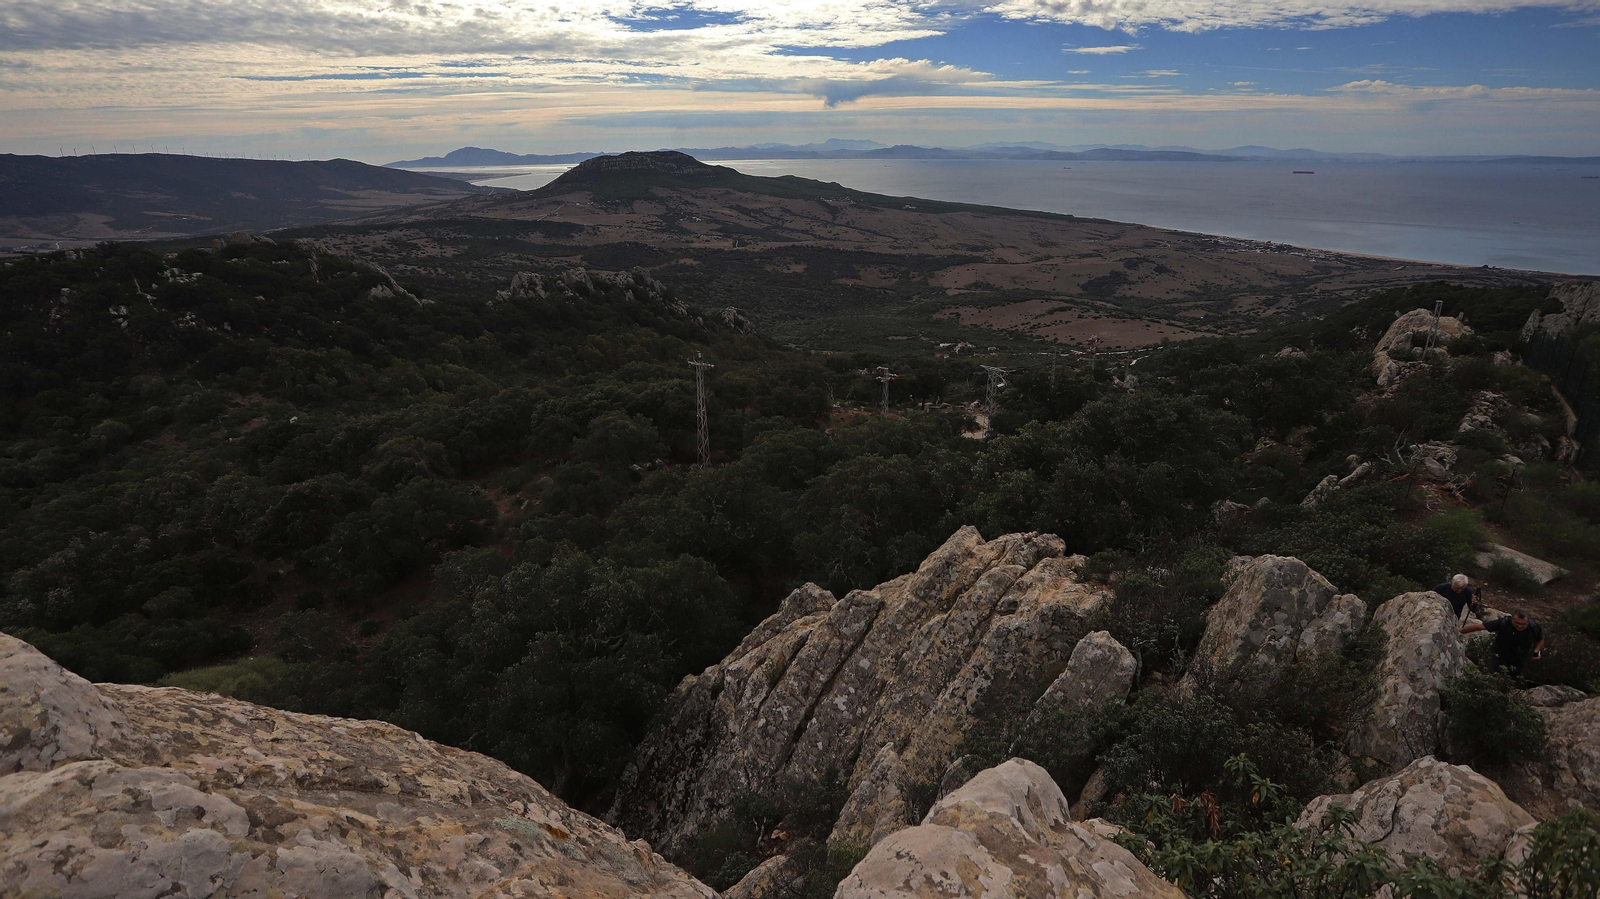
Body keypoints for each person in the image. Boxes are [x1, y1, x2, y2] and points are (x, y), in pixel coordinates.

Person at [1461, 609, 1545, 675]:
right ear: (1512, 619)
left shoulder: (1534, 628)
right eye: (1517, 623)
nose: (1520, 626)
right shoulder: (1503, 623)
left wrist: (1536, 651)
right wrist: (1457, 632)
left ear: (1528, 622)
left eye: (1523, 624)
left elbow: (1539, 640)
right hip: (1500, 654)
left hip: (1519, 658)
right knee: (1497, 673)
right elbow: (1478, 627)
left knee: (1513, 677)